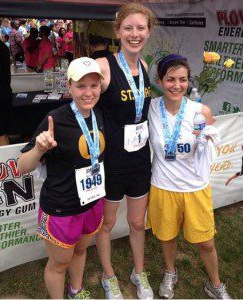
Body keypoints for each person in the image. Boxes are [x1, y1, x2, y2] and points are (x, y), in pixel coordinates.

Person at [17, 57, 105, 299]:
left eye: (94, 85)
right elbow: (22, 167)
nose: (88, 92)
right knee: (59, 264)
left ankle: (76, 290)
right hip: (61, 207)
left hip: (92, 201)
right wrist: (39, 148)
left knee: (81, 251)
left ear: (100, 86)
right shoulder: (55, 118)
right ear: (69, 86)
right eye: (81, 86)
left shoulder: (99, 113)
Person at [147, 54, 231, 299]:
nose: (176, 85)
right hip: (163, 186)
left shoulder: (200, 111)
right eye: (170, 79)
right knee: (167, 236)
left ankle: (214, 284)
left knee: (206, 243)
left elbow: (211, 143)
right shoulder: (151, 108)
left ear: (188, 82)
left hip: (195, 188)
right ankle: (170, 272)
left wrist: (207, 137)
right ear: (160, 81)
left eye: (182, 80)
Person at [95, 3, 155, 299]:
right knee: (106, 223)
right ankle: (108, 275)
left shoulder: (144, 67)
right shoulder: (104, 66)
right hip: (112, 162)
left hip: (140, 158)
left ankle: (138, 271)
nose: (135, 34)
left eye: (140, 28)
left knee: (136, 222)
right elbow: (83, 98)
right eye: (128, 28)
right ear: (117, 31)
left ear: (148, 32)